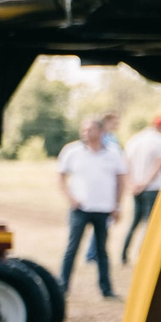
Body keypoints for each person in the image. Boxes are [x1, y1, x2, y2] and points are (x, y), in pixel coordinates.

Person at [54, 116, 123, 300]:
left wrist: (117, 206)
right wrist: (71, 198)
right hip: (80, 209)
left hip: (103, 209)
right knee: (72, 248)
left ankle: (106, 289)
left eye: (90, 129)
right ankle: (63, 286)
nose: (86, 133)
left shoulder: (113, 152)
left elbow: (120, 180)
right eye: (84, 129)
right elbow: (60, 176)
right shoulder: (72, 151)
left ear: (101, 132)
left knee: (102, 251)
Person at [120, 113, 161, 263]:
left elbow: (125, 163)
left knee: (135, 221)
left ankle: (123, 254)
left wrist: (132, 183)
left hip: (136, 187)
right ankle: (143, 256)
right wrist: (145, 183)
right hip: (153, 187)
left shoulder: (134, 139)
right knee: (150, 223)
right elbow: (159, 164)